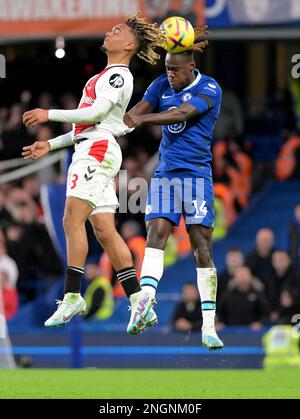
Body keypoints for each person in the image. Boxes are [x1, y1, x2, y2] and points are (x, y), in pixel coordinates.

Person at [21, 12, 165, 334]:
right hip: (93, 147)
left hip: (96, 151)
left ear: (128, 44)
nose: (108, 32)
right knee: (104, 231)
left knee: (71, 218)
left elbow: (96, 113)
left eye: (116, 30)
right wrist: (52, 144)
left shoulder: (118, 76)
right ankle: (139, 297)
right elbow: (89, 124)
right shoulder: (106, 75)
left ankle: (73, 295)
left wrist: (50, 113)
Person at [123, 27, 224, 350]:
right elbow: (137, 111)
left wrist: (143, 120)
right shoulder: (159, 86)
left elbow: (182, 113)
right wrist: (121, 118)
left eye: (175, 70)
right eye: (166, 68)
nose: (170, 75)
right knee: (155, 236)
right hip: (165, 175)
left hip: (196, 177)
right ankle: (145, 301)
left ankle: (209, 326)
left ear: (190, 68)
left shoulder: (209, 87)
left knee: (200, 249)